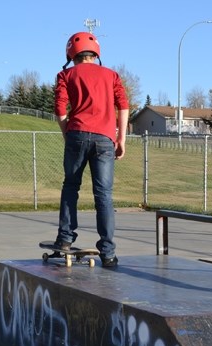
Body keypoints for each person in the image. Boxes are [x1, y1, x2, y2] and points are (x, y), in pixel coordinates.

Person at [53, 31, 129, 267]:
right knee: (104, 195)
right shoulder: (111, 75)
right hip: (105, 139)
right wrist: (121, 139)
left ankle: (65, 239)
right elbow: (123, 106)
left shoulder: (65, 74)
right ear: (96, 54)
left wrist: (68, 133)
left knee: (71, 186)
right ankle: (107, 252)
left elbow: (60, 109)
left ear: (71, 54)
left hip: (77, 134)